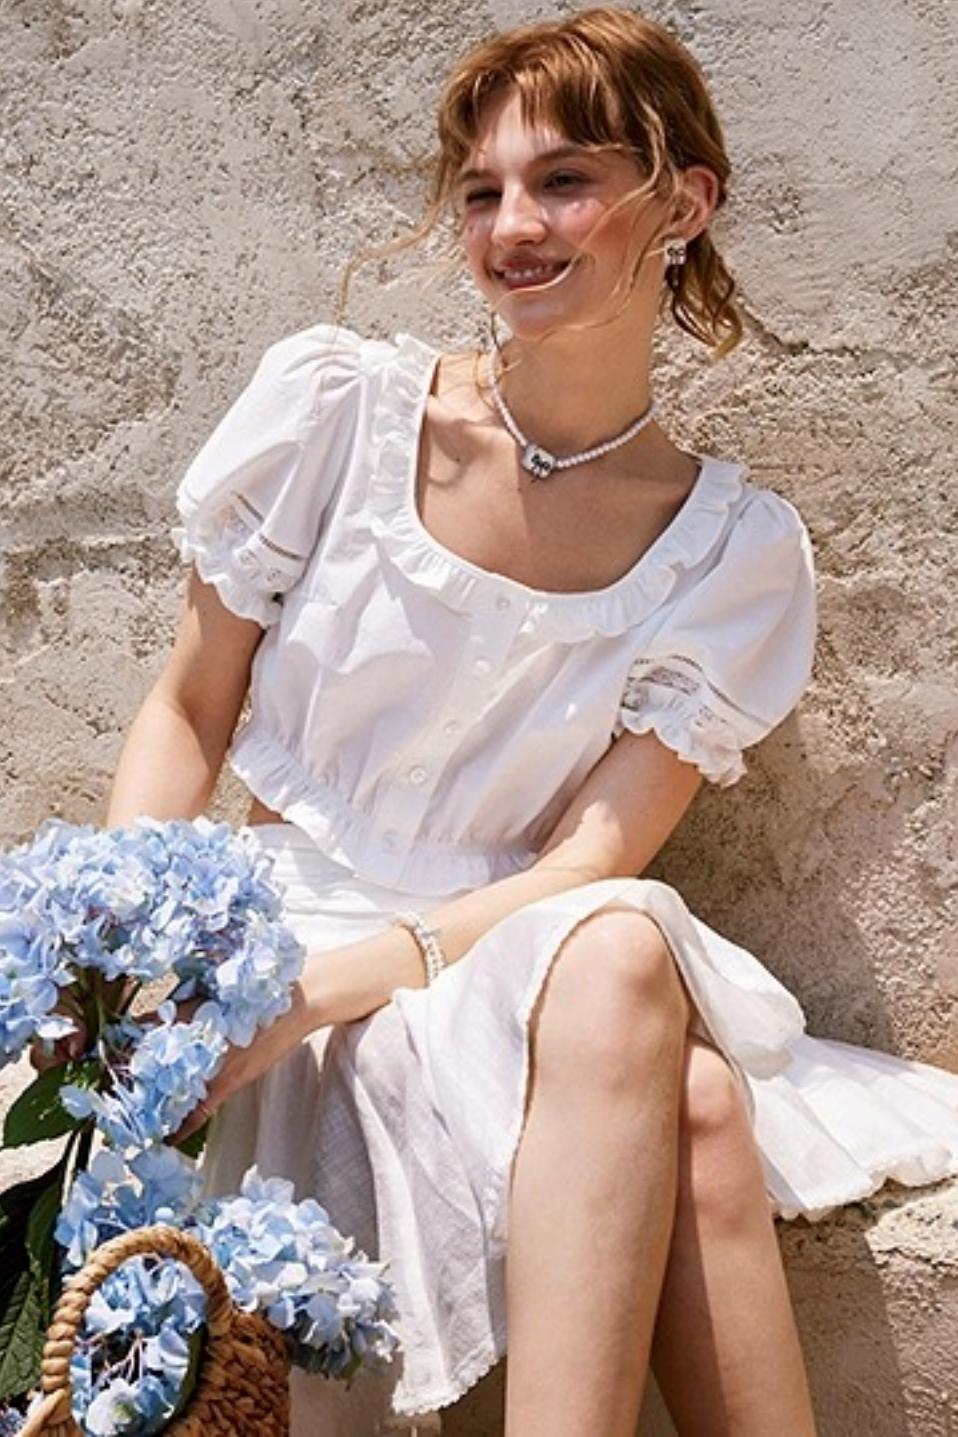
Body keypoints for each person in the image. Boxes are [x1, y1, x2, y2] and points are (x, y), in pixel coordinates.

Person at [98, 7, 958, 1435]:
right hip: (274, 930)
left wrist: (331, 991)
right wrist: (128, 958)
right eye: (482, 190)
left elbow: (582, 868)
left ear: (683, 203)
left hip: (503, 949)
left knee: (614, 940)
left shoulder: (727, 550)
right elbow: (189, 706)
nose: (512, 226)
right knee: (693, 1103)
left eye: (564, 181)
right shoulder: (338, 413)